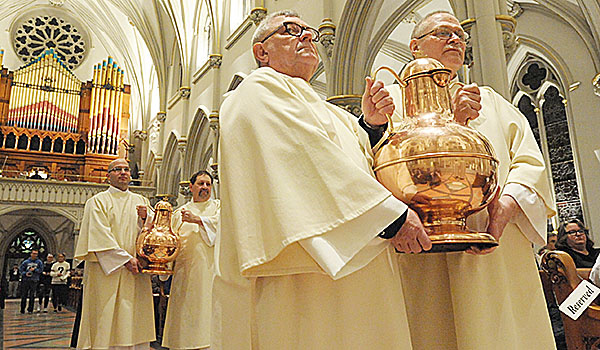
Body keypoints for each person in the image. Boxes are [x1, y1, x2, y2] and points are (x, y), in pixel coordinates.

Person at [213, 9, 431, 350]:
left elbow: (351, 158)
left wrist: (370, 126)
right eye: (291, 29)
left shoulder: (325, 107)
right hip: (305, 273)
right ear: (261, 52)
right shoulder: (256, 91)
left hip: (358, 259)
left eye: (309, 31)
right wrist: (392, 218)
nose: (307, 36)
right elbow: (307, 159)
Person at [363, 11, 557, 349]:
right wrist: (372, 124)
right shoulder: (388, 102)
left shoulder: (491, 101)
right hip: (419, 252)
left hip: (491, 250)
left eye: (460, 35)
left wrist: (506, 207)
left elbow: (529, 161)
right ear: (414, 46)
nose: (456, 39)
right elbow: (363, 165)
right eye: (442, 33)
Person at [74, 158, 155, 349]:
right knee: (105, 317)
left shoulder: (141, 201)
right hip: (107, 271)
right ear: (108, 175)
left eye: (126, 169)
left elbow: (154, 233)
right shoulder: (97, 202)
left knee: (135, 317)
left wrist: (147, 218)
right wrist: (126, 260)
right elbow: (99, 235)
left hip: (136, 270)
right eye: (117, 169)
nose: (123, 173)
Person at [159, 170, 219, 350]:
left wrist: (199, 220)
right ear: (191, 187)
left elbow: (222, 230)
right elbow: (169, 242)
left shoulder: (218, 208)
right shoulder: (179, 213)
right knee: (184, 319)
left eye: (208, 184)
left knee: (208, 318)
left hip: (211, 274)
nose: (205, 188)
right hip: (185, 275)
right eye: (201, 184)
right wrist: (163, 266)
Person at [19, 250, 43, 314]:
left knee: (32, 295)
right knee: (24, 295)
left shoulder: (39, 262)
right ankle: (22, 309)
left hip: (34, 280)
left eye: (36, 254)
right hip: (26, 280)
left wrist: (35, 269)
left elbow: (41, 270)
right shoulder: (26, 262)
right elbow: (21, 270)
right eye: (34, 253)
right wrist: (25, 273)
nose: (35, 255)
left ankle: (30, 309)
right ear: (31, 254)